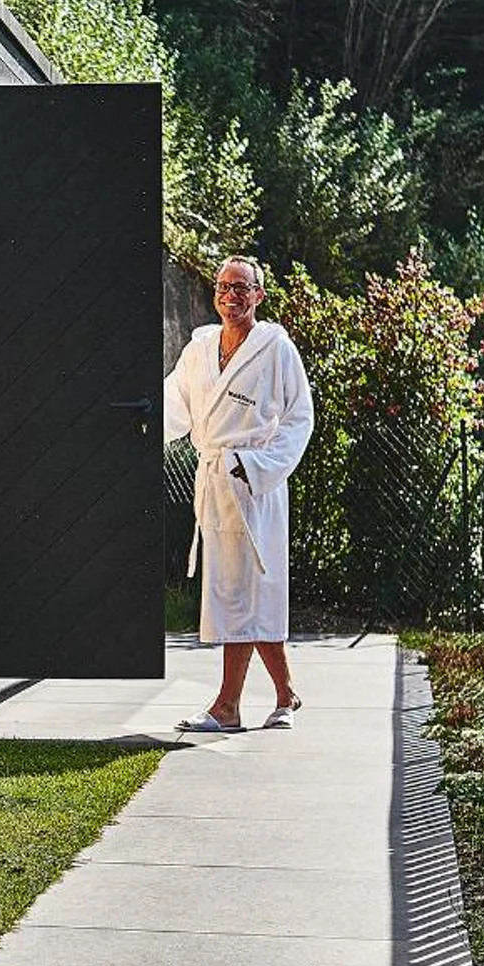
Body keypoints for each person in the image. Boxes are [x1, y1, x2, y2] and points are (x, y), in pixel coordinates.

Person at [163, 258, 314, 732]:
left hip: (254, 486)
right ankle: (285, 695)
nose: (231, 295)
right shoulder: (200, 349)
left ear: (259, 295)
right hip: (215, 482)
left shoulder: (276, 348)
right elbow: (173, 404)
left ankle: (227, 706)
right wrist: (132, 429)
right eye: (224, 286)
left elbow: (299, 417)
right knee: (241, 592)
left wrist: (257, 468)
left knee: (248, 591)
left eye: (242, 288)